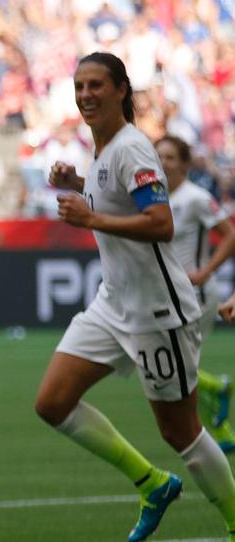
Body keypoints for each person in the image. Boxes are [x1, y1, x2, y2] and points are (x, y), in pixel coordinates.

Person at [33, 52, 235, 542]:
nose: (86, 95)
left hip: (157, 312)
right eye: (79, 87)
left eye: (96, 85)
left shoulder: (132, 147)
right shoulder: (103, 148)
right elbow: (117, 198)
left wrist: (91, 218)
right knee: (53, 403)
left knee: (180, 431)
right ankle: (152, 484)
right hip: (113, 303)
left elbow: (160, 224)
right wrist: (77, 185)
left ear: (121, 90)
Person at [156, 135, 235, 452]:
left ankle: (217, 392)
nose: (163, 163)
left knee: (169, 365)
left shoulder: (196, 198)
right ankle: (222, 425)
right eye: (159, 156)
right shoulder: (153, 199)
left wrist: (206, 271)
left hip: (194, 295)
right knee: (176, 369)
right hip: (166, 296)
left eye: (170, 157)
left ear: (185, 164)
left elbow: (230, 235)